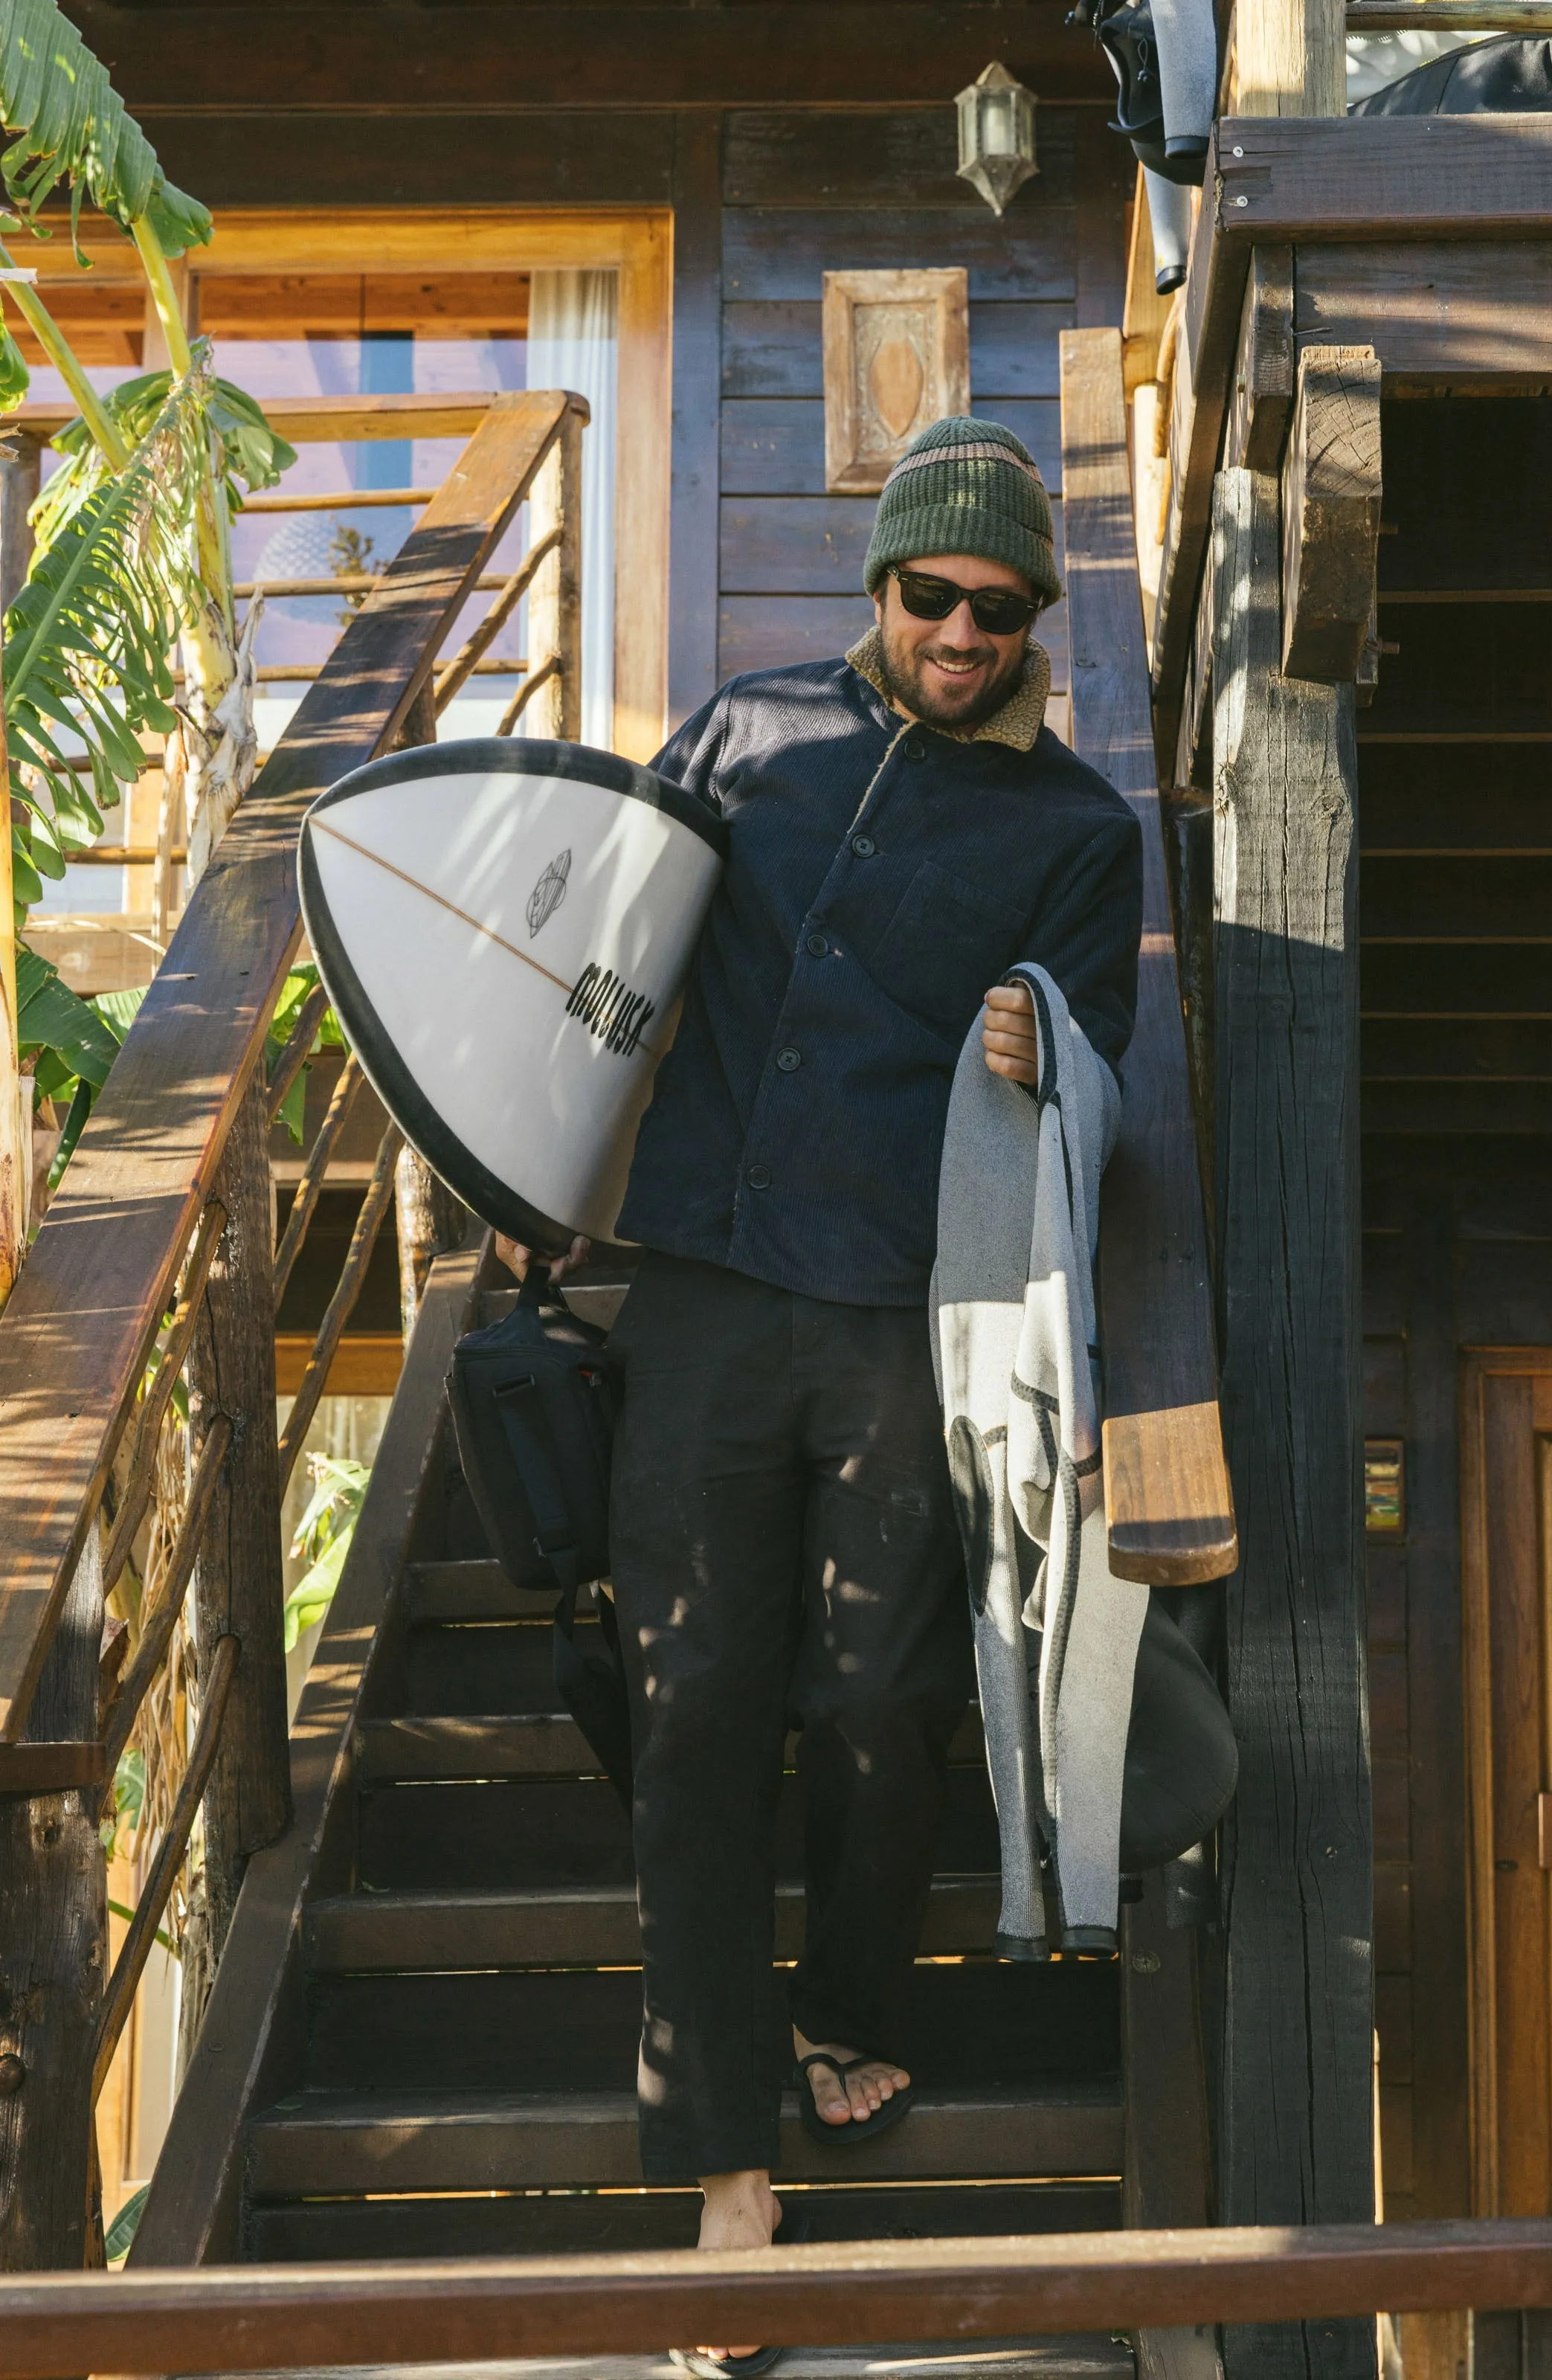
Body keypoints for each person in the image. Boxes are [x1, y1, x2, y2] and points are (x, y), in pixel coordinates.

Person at [500, 416, 1142, 2373]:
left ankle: (853, 1999)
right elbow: (604, 948)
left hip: (895, 1304)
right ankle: (716, 2157)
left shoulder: (1077, 833)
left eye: (999, 608)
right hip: (696, 1274)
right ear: (879, 590)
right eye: (933, 596)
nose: (963, 630)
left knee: (875, 1691)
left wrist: (1051, 1052)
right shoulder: (740, 735)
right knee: (695, 1699)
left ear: (1033, 620)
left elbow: (1102, 1081)